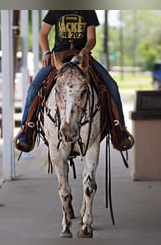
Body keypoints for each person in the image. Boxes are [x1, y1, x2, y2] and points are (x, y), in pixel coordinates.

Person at [14, 10, 134, 152]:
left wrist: (85, 50)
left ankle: (119, 130)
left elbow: (91, 39)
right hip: (59, 58)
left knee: (112, 86)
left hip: (83, 57)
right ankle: (27, 130)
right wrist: (47, 52)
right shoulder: (55, 10)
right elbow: (43, 34)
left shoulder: (88, 11)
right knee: (34, 87)